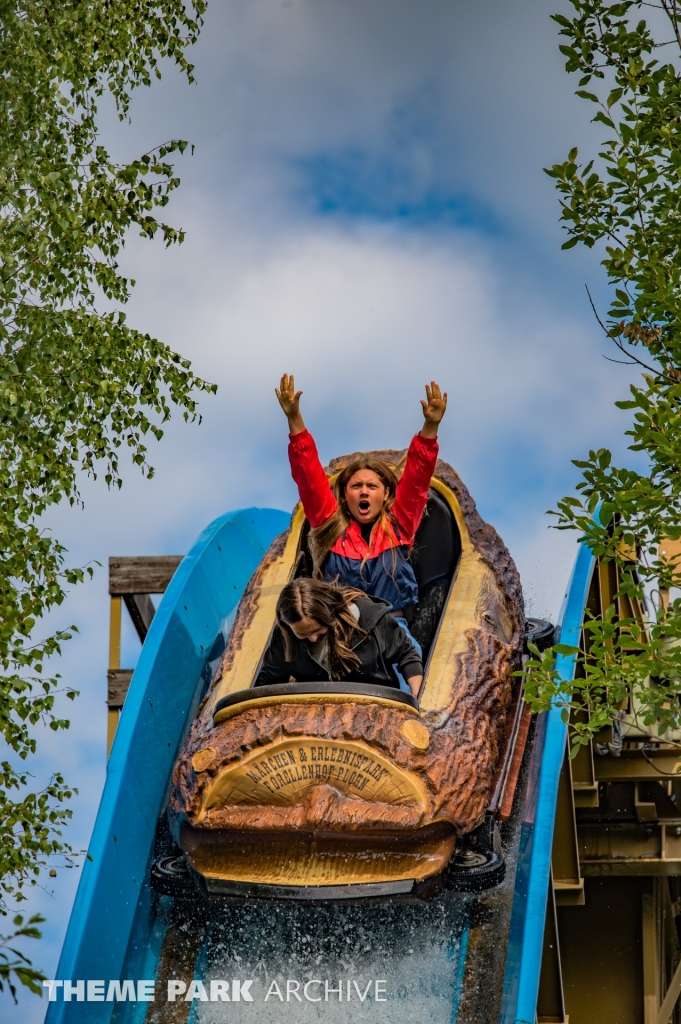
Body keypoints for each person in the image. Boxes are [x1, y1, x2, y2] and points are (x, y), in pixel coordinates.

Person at [275, 374, 448, 656]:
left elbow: (417, 479)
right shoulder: (331, 527)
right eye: (356, 486)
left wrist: (430, 427)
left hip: (391, 628)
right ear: (345, 495)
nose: (364, 492)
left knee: (409, 659)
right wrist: (294, 420)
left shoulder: (399, 525)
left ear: (386, 494)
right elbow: (309, 479)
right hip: (341, 632)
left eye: (372, 486)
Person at [255, 578, 424, 697]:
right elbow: (269, 682)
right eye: (302, 634)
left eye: (318, 631)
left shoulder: (372, 619)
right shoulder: (283, 637)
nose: (313, 639)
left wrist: (417, 698)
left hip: (375, 702)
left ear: (331, 615)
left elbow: (407, 655)